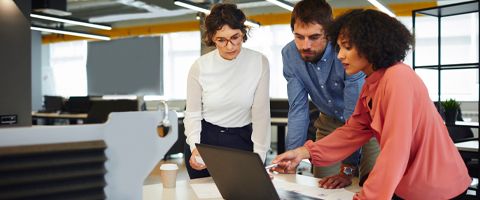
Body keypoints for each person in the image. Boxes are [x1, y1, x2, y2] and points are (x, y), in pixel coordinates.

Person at [273, 9, 471, 199]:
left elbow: (395, 152)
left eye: (348, 48)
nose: (340, 55)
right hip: (408, 184)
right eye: (339, 47)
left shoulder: (398, 78)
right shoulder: (373, 82)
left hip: (436, 188)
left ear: (371, 47)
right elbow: (354, 130)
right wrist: (303, 152)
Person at [281, 0, 379, 188]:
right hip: (329, 123)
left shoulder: (348, 51)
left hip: (369, 124)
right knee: (323, 187)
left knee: (369, 184)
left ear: (329, 32)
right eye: (299, 36)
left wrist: (348, 168)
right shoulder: (289, 55)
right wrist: (291, 160)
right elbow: (297, 110)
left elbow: (353, 119)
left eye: (314, 37)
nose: (305, 45)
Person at [183, 3, 271, 179]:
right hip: (205, 140)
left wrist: (260, 158)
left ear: (243, 33)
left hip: (241, 141)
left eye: (235, 37)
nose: (229, 46)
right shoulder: (199, 66)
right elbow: (192, 113)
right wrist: (195, 147)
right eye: (221, 40)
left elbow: (261, 115)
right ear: (211, 38)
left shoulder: (259, 62)